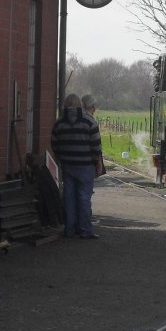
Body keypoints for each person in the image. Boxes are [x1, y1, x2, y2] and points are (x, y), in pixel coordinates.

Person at [51, 93, 102, 239]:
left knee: (69, 197)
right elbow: (96, 145)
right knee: (84, 198)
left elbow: (55, 144)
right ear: (80, 104)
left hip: (67, 165)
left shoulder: (59, 123)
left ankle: (69, 229)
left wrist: (61, 159)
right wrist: (95, 161)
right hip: (86, 166)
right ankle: (85, 230)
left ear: (65, 105)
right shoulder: (89, 121)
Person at [82, 94, 106, 177]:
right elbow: (96, 145)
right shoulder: (91, 122)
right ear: (93, 107)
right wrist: (97, 162)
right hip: (87, 163)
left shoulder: (73, 118)